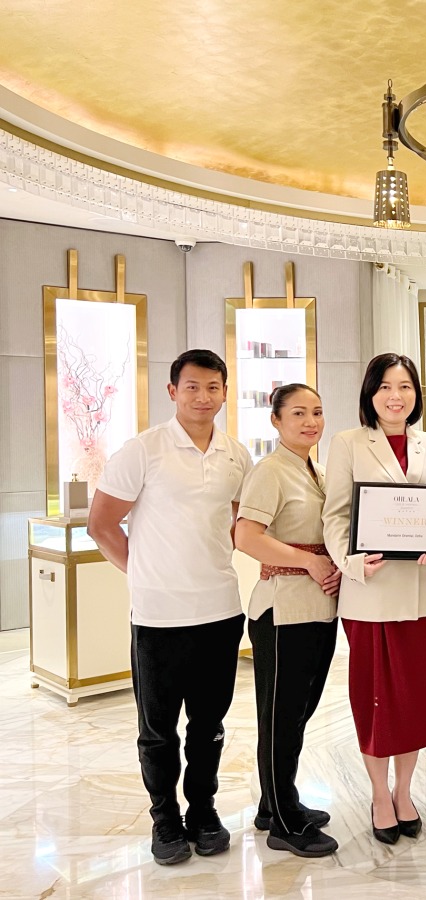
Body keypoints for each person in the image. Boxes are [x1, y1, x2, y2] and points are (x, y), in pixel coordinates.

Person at [88, 349, 253, 866]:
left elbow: (236, 523)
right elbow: (101, 524)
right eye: (192, 387)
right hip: (158, 619)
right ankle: (165, 821)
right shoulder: (143, 449)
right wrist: (142, 574)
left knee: (209, 726)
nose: (203, 397)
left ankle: (203, 812)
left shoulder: (236, 454)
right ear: (172, 391)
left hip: (221, 611)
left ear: (225, 391)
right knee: (158, 731)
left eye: (212, 387)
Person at [322, 352, 426, 845]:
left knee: (416, 700)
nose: (396, 397)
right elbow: (334, 516)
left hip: (424, 594)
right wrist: (349, 563)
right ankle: (379, 794)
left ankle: (405, 791)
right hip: (370, 592)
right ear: (370, 394)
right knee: (376, 701)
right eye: (385, 387)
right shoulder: (348, 443)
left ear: (416, 395)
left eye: (406, 387)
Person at [233, 383, 340, 858]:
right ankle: (284, 823)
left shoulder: (315, 470)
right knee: (280, 717)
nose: (310, 421)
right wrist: (309, 561)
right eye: (298, 413)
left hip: (318, 607)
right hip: (284, 611)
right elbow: (245, 536)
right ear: (275, 420)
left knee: (296, 713)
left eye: (316, 412)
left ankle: (273, 802)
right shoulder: (270, 471)